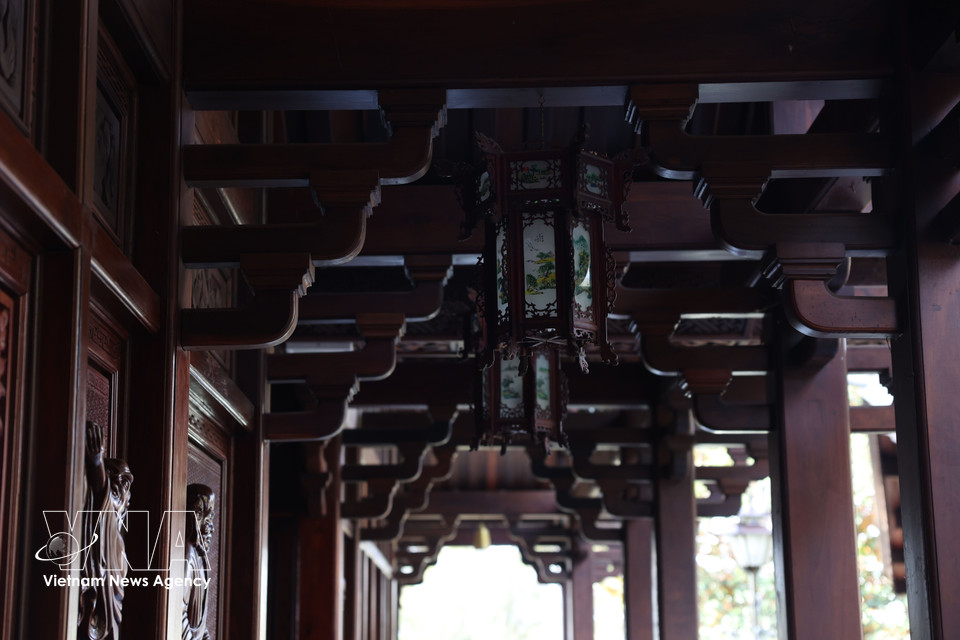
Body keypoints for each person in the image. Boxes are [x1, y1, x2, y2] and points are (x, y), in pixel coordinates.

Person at [79, 421, 133, 640]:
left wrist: (97, 465)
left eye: (125, 484)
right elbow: (102, 504)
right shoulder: (97, 514)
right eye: (114, 479)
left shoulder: (117, 541)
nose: (119, 487)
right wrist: (96, 464)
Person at [182, 483, 215, 640]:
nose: (210, 527)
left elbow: (200, 624)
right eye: (204, 516)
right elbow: (180, 613)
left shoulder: (201, 559)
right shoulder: (188, 556)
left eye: (211, 518)